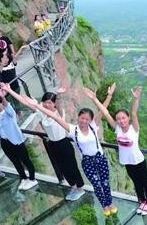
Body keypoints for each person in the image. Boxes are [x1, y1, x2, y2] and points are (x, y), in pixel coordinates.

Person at [25, 85, 119, 216]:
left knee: (105, 183)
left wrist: (106, 96)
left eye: (87, 119)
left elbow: (103, 111)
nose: (84, 121)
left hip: (100, 158)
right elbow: (56, 117)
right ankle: (104, 205)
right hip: (87, 162)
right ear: (78, 118)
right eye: (82, 118)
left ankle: (110, 203)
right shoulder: (73, 130)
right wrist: (38, 105)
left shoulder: (93, 126)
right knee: (97, 185)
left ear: (91, 120)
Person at [3, 86, 85, 201]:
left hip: (63, 143)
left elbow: (59, 104)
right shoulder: (43, 113)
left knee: (71, 167)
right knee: (62, 167)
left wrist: (58, 94)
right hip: (53, 144)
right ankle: (73, 187)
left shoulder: (59, 113)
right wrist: (10, 90)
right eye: (45, 102)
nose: (47, 105)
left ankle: (80, 189)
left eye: (50, 103)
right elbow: (25, 102)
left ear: (54, 104)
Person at [87, 85, 147, 215]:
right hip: (127, 162)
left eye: (123, 118)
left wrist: (135, 99)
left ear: (128, 118)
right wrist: (94, 99)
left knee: (145, 182)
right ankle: (142, 201)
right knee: (136, 183)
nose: (121, 120)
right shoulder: (117, 128)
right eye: (118, 119)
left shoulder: (134, 129)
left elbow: (134, 113)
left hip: (138, 161)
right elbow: (105, 112)